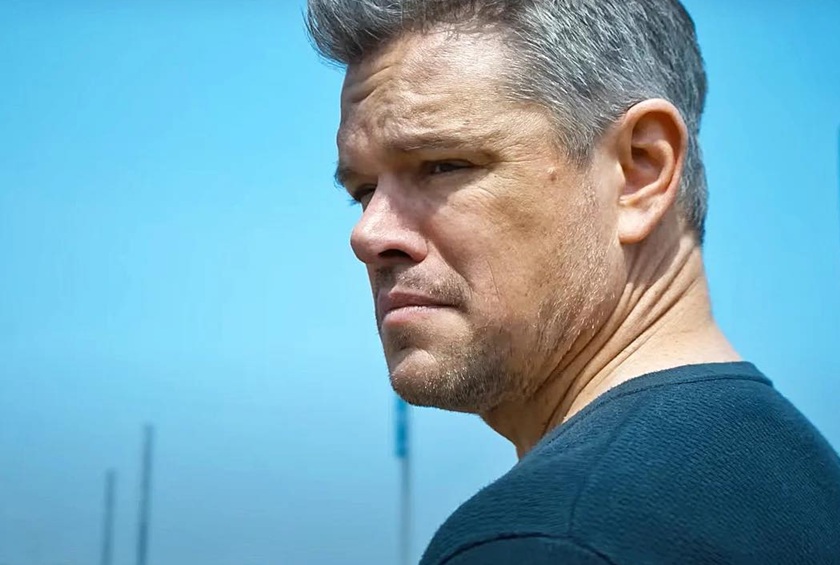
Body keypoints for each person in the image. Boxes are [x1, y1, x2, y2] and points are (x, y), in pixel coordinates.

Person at [305, 1, 840, 563]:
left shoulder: (547, 539)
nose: (368, 234)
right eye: (364, 191)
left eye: (443, 165)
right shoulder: (806, 485)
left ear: (639, 171)